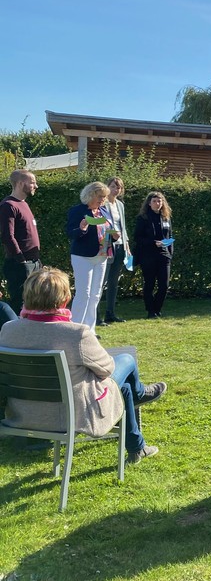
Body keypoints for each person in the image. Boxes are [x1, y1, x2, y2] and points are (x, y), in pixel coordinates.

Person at [0, 267, 165, 464]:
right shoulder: (76, 333)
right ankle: (140, 395)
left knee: (124, 389)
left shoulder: (9, 330)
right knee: (126, 361)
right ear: (64, 298)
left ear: (27, 295)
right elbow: (107, 369)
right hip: (71, 418)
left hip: (22, 415)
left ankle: (138, 446)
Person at [66, 182, 116, 332]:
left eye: (104, 197)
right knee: (84, 293)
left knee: (95, 294)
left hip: (101, 256)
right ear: (90, 195)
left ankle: (90, 330)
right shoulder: (77, 211)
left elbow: (109, 230)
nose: (102, 200)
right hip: (83, 256)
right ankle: (76, 329)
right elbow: (70, 233)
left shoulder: (104, 211)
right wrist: (81, 228)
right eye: (99, 196)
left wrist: (114, 236)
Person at [0, 169, 41, 314]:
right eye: (32, 182)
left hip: (33, 262)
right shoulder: (8, 205)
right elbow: (7, 236)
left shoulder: (23, 204)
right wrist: (21, 260)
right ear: (20, 183)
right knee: (20, 303)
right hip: (19, 264)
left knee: (35, 302)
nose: (35, 186)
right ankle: (14, 334)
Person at [133, 191, 173, 319]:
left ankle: (157, 308)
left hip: (164, 255)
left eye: (160, 201)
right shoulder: (143, 218)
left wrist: (170, 253)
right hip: (148, 255)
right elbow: (138, 238)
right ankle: (151, 311)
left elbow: (170, 236)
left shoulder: (166, 218)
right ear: (149, 203)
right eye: (155, 201)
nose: (158, 203)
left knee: (164, 285)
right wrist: (152, 243)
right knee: (149, 284)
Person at [98, 177, 131, 325]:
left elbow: (123, 227)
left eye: (118, 187)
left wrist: (127, 247)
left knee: (113, 282)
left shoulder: (120, 205)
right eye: (112, 186)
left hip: (120, 246)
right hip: (106, 246)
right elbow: (101, 224)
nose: (115, 190)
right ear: (107, 187)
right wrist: (111, 233)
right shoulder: (101, 204)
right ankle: (97, 317)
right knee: (101, 282)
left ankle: (110, 313)